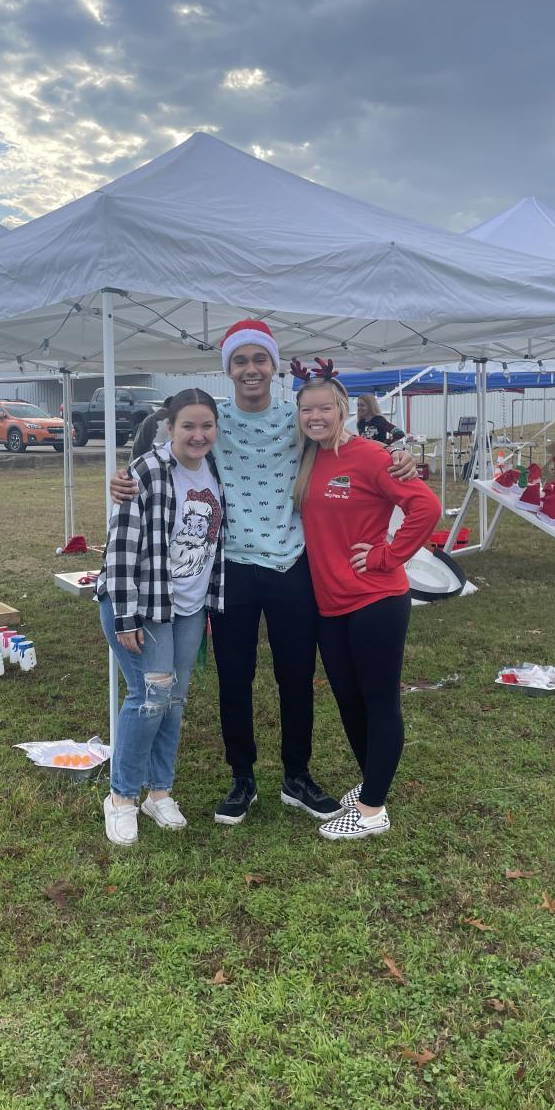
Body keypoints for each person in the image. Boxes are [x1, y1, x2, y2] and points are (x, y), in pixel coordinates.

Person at [109, 319, 419, 827]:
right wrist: (125, 477)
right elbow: (172, 449)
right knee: (235, 679)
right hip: (230, 569)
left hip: (292, 565)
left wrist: (395, 455)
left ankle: (297, 776)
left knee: (295, 678)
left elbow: (342, 439)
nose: (250, 369)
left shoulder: (299, 418)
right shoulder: (215, 420)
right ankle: (242, 778)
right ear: (228, 369)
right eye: (240, 361)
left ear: (274, 367)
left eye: (259, 359)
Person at [293, 362, 441, 840]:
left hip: (375, 599)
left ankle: (373, 810)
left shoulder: (372, 456)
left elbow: (426, 507)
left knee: (379, 701)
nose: (315, 416)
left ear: (342, 409)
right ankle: (373, 782)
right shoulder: (307, 457)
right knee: (349, 700)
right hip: (330, 605)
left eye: (324, 408)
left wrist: (388, 555)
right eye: (306, 409)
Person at [96, 389, 224, 846]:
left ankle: (160, 792)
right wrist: (126, 615)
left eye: (206, 425)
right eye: (188, 426)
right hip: (142, 605)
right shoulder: (146, 471)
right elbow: (121, 546)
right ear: (169, 428)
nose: (198, 434)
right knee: (149, 698)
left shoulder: (217, 469)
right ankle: (121, 798)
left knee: (174, 700)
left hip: (189, 607)